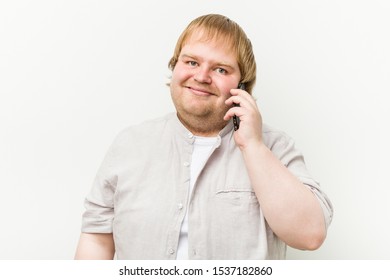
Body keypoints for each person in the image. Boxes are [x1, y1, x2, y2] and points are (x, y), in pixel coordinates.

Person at [75, 14, 333, 260]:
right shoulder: (129, 145)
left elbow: (309, 235)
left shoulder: (274, 146)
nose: (200, 77)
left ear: (242, 85)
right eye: (191, 62)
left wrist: (253, 146)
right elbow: (97, 239)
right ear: (175, 66)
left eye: (220, 69)